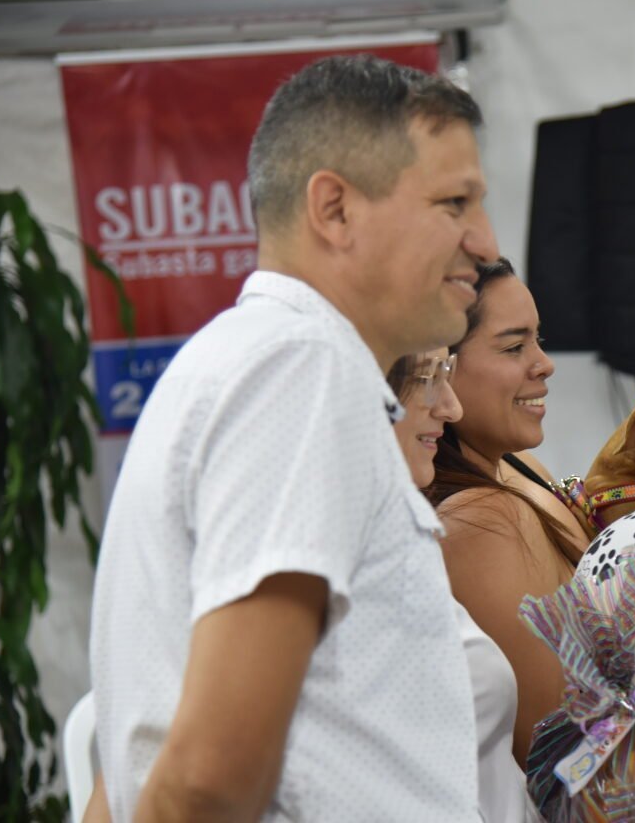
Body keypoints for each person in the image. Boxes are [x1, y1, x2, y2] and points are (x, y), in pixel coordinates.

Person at [89, 54, 498, 821]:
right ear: (335, 210)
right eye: (454, 203)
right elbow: (210, 777)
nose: (484, 241)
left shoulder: (252, 360)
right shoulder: (301, 371)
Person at [426, 257, 590, 767]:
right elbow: (563, 752)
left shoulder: (519, 467)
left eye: (538, 340)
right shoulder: (482, 520)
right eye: (515, 346)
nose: (544, 363)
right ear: (441, 363)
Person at [386, 348, 541, 822]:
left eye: (446, 371)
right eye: (427, 376)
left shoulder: (404, 530)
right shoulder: (479, 517)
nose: (451, 408)